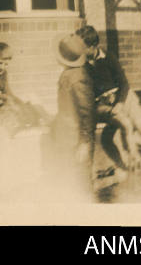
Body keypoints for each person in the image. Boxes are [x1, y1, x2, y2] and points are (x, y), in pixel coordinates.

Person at [75, 25, 141, 172]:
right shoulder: (82, 65)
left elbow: (124, 83)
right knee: (107, 139)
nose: (79, 51)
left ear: (93, 46)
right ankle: (126, 167)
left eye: (83, 47)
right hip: (105, 105)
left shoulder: (108, 57)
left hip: (123, 97)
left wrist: (120, 103)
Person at [50, 32, 96, 201]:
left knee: (81, 182)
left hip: (76, 139)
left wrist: (84, 143)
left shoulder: (79, 78)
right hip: (67, 136)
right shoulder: (69, 74)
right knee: (70, 180)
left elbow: (87, 112)